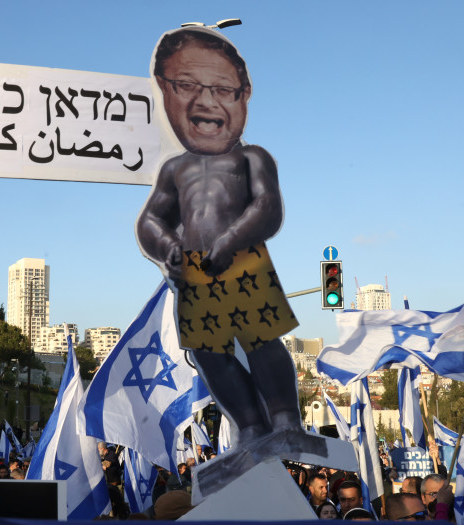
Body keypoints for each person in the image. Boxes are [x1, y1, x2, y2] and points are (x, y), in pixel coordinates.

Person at [137, 26, 301, 450]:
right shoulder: (175, 169)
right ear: (165, 93)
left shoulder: (252, 157)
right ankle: (249, 424)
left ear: (244, 96)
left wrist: (228, 240)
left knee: (262, 339)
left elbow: (267, 207)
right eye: (187, 86)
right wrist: (168, 247)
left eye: (223, 90)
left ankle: (284, 416)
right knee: (210, 356)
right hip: (193, 269)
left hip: (242, 257)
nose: (206, 102)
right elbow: (152, 219)